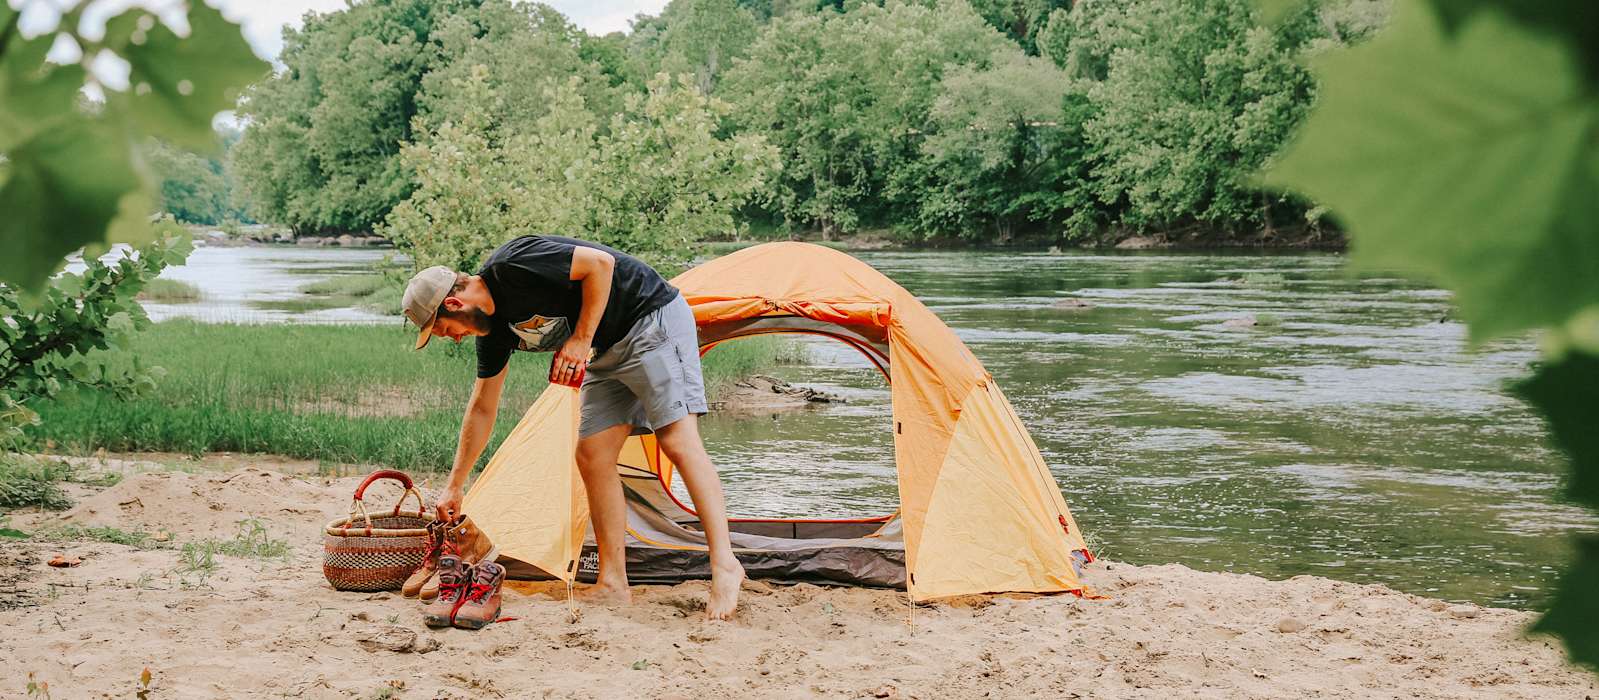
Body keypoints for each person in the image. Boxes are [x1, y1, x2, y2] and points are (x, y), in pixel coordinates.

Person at [401, 235, 745, 619]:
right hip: (609, 348)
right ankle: (613, 583)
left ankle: (725, 565)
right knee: (592, 455)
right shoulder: (494, 334)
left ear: (453, 303)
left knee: (677, 440)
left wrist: (581, 340)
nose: (453, 337)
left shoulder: (512, 264)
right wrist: (454, 484)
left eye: (444, 329)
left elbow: (600, 265)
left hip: (651, 319)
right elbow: (482, 407)